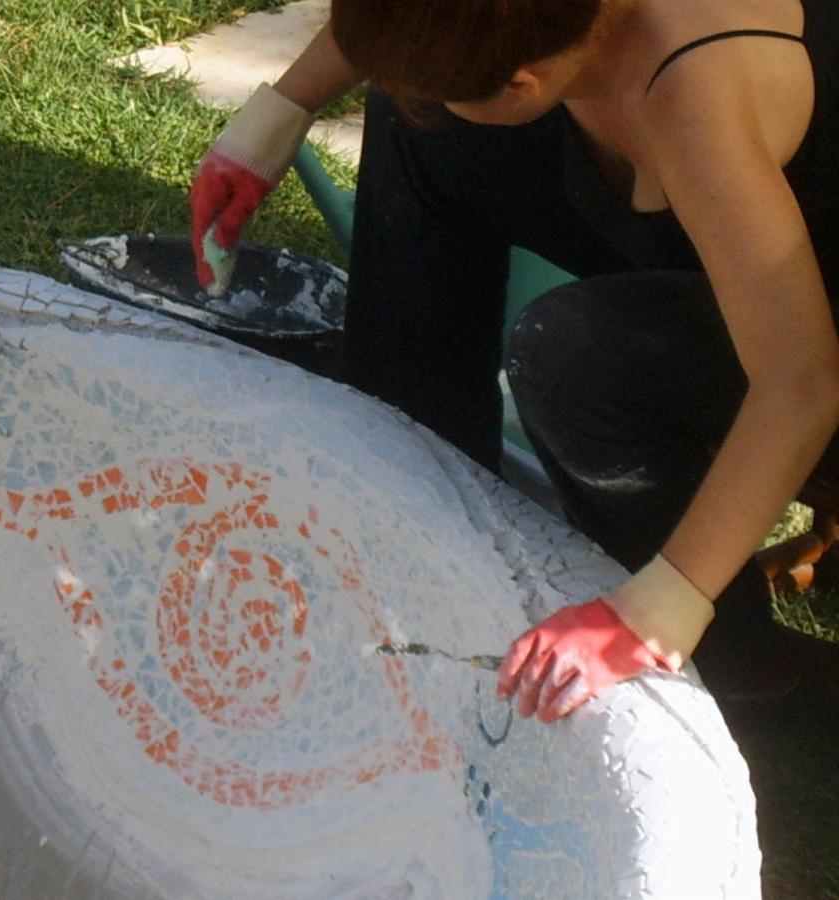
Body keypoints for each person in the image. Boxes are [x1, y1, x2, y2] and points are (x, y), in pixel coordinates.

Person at [189, 0, 839, 722]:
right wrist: (277, 114)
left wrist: (661, 608)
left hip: (814, 332)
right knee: (421, 120)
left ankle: (746, 664)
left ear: (523, 84)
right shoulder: (554, 29)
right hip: (711, 233)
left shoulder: (693, 99)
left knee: (572, 353)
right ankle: (416, 508)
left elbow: (802, 381)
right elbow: (423, 23)